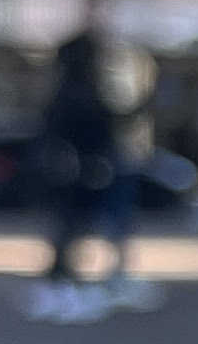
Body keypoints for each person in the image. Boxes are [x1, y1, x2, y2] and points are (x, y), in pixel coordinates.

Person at [31, 28, 137, 307]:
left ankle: (66, 280)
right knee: (77, 228)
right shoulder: (79, 94)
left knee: (72, 229)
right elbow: (97, 128)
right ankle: (66, 282)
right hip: (83, 172)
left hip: (77, 172)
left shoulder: (65, 93)